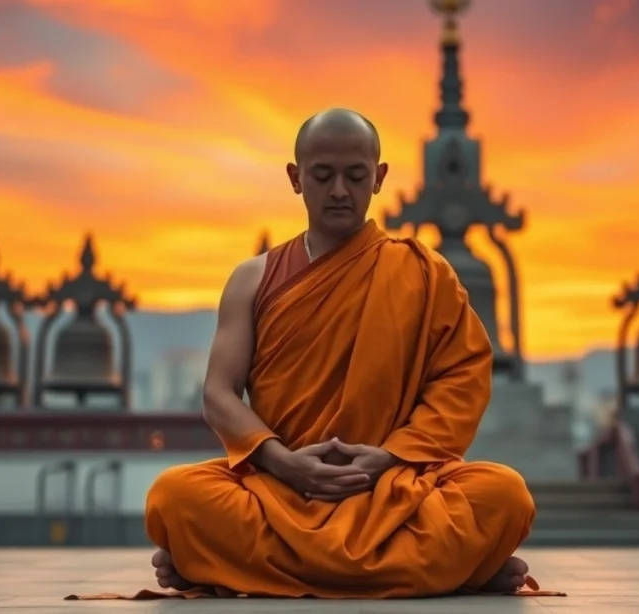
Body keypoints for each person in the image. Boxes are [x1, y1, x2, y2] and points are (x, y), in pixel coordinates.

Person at [144, 108, 536, 598]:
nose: (338, 191)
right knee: (174, 496)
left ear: (379, 178)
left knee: (504, 494)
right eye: (322, 175)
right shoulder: (253, 278)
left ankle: (228, 567)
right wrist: (285, 463)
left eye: (355, 176)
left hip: (392, 489)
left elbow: (462, 378)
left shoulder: (423, 272)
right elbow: (219, 394)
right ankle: (459, 571)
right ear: (295, 178)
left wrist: (389, 458)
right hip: (281, 490)